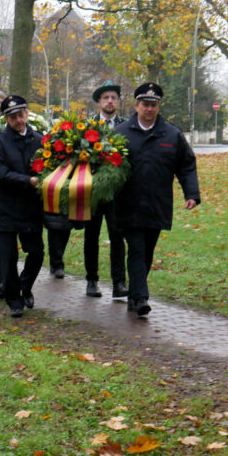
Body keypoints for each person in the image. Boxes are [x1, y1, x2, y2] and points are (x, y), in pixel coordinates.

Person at [114, 82, 201, 317]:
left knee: (147, 251)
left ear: (159, 106)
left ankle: (134, 294)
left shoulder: (171, 134)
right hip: (128, 205)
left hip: (157, 204)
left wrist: (191, 193)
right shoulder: (121, 133)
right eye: (145, 104)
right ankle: (141, 297)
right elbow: (106, 166)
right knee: (137, 249)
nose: (149, 109)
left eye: (154, 105)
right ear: (137, 105)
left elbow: (186, 165)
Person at [0, 94, 44, 318]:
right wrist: (26, 181)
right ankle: (14, 300)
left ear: (27, 113)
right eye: (13, 118)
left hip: (31, 208)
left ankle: (25, 285)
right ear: (6, 119)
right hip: (7, 208)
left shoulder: (39, 140)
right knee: (8, 257)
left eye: (21, 115)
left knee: (37, 253)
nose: (18, 121)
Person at [82, 81, 129, 298]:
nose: (110, 101)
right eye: (106, 98)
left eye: (113, 98)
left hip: (118, 192)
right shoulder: (87, 126)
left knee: (117, 236)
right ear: (99, 102)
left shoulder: (127, 125)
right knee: (91, 236)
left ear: (118, 102)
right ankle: (92, 280)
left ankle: (119, 282)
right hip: (92, 190)